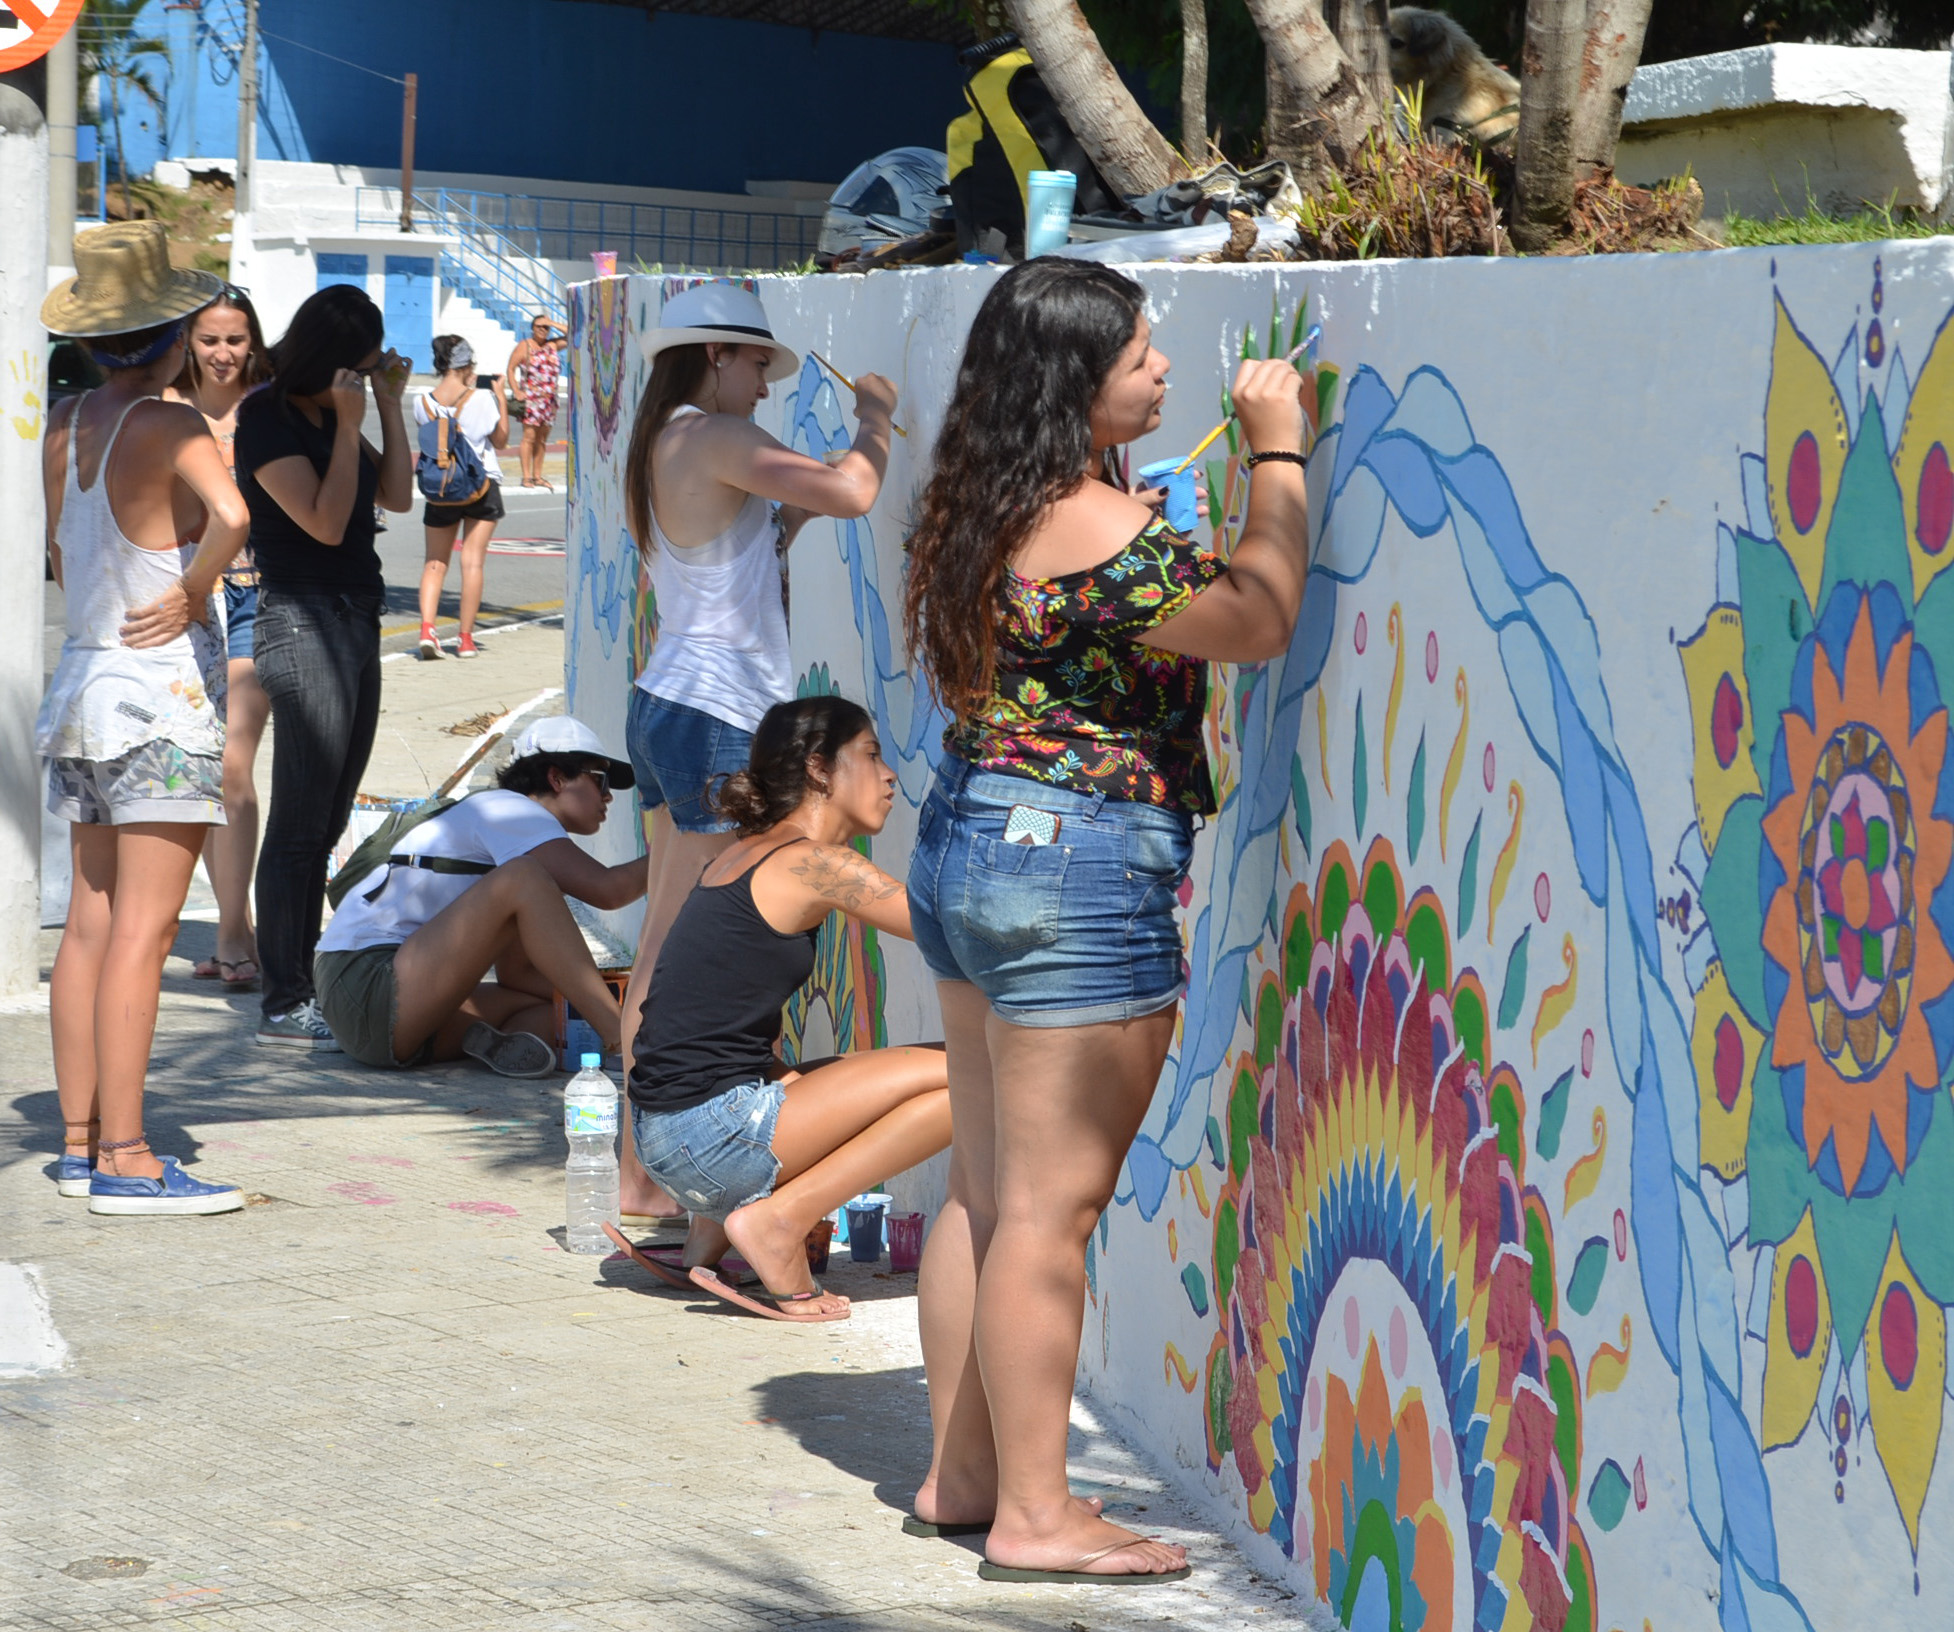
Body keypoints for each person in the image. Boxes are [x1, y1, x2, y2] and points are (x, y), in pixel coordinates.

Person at [899, 258, 1315, 1582]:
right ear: (1072, 385)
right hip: (1074, 874)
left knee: (980, 1192)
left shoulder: (979, 499)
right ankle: (1033, 1516)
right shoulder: (1102, 527)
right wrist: (1279, 454)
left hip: (968, 840)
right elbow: (1252, 620)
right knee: (1048, 1214)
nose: (1159, 369)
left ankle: (964, 1475)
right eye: (1138, 353)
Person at [613, 281, 898, 1224]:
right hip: (718, 715)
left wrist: (803, 500)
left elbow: (757, 543)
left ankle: (640, 1180)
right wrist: (876, 419)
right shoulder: (716, 435)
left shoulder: (670, 441)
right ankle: (644, 1186)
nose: (766, 386)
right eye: (756, 365)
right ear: (718, 355)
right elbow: (853, 491)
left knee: (659, 936)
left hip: (670, 704)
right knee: (669, 953)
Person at [37, 221, 251, 1216]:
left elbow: (60, 553)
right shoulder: (170, 427)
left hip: (82, 688)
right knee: (146, 929)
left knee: (89, 920)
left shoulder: (68, 419)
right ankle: (126, 1155)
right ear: (169, 332)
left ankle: (81, 1139)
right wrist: (199, 586)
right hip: (157, 696)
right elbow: (237, 516)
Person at [629, 696, 949, 1320]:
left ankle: (711, 1234)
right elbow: (946, 931)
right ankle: (778, 1223)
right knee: (976, 1078)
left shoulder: (742, 852)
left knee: (835, 1077)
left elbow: (708, 1026)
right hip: (708, 1136)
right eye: (872, 755)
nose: (890, 776)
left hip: (664, 1134)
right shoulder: (815, 864)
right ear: (821, 770)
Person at [234, 284, 414, 1048]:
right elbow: (325, 518)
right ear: (331, 360)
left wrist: (390, 404)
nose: (365, 380)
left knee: (331, 818)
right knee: (301, 824)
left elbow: (401, 495)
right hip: (299, 621)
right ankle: (283, 996)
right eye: (362, 367)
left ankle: (305, 977)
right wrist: (347, 426)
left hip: (355, 620)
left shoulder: (335, 411)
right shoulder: (267, 416)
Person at [314, 718, 645, 1073]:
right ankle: (626, 1043)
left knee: (560, 1017)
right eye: (600, 779)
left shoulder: (513, 844)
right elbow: (609, 890)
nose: (609, 795)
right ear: (557, 778)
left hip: (390, 1017)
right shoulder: (508, 810)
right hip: (366, 980)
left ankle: (493, 1039)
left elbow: (517, 976)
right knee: (523, 876)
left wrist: (609, 995)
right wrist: (683, 852)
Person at [168, 285, 272, 991]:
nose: (223, 353)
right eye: (210, 339)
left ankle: (235, 930)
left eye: (235, 339)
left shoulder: (270, 405)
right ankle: (234, 923)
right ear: (187, 343)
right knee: (204, 763)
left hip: (262, 594)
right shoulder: (167, 411)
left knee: (233, 762)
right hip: (192, 596)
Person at [414, 334, 510, 659]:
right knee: (472, 562)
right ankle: (465, 639)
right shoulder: (482, 398)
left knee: (434, 563)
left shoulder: (421, 402)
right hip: (481, 485)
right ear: (466, 363)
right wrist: (501, 399)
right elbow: (500, 441)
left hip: (440, 488)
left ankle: (428, 631)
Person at [506, 312, 568, 489]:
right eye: (539, 326)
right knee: (529, 437)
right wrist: (516, 390)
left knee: (542, 439)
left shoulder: (553, 345)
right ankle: (526, 476)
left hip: (549, 401)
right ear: (532, 328)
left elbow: (574, 334)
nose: (542, 330)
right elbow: (510, 368)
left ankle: (538, 475)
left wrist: (552, 322)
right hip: (532, 399)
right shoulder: (525, 346)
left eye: (545, 327)